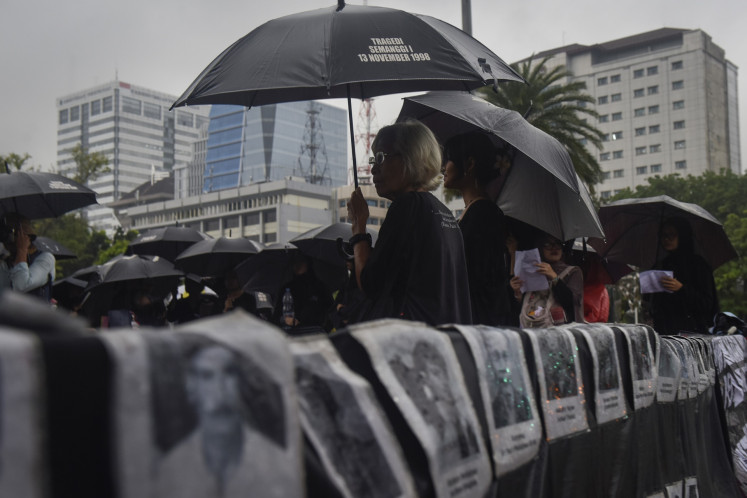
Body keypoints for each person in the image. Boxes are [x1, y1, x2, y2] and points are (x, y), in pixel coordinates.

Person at [347, 121, 472, 325]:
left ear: (411, 158)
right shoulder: (443, 212)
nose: (373, 169)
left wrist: (358, 225)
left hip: (416, 343)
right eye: (373, 159)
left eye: (381, 157)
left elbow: (371, 283)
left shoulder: (407, 205)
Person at [155, 338, 288, 497]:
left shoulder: (274, 460)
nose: (220, 385)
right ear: (192, 385)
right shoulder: (173, 466)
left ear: (241, 380)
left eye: (228, 372)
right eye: (207, 375)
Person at [442, 131, 513, 326]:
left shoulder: (483, 214)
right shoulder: (476, 210)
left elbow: (479, 277)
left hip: (480, 322)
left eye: (448, 159)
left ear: (470, 164)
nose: (443, 167)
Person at [649, 217, 719, 335]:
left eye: (671, 235)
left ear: (683, 235)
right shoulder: (662, 264)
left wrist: (681, 288)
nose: (666, 239)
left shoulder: (698, 265)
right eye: (663, 235)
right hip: (665, 334)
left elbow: (707, 304)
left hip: (692, 334)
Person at [510, 233, 584, 327]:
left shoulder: (573, 272)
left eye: (558, 244)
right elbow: (527, 306)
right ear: (540, 249)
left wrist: (554, 277)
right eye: (548, 244)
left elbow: (573, 302)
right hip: (535, 327)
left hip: (562, 330)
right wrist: (518, 293)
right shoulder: (532, 271)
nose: (554, 248)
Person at [0, 213, 55, 302]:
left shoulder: (45, 258)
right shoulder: (5, 262)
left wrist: (22, 250)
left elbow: (21, 285)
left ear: (26, 237)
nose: (7, 242)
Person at [273, 253, 333, 331]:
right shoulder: (287, 289)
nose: (297, 265)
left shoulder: (319, 287)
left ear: (308, 263)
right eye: (294, 262)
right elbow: (276, 316)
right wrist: (284, 320)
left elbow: (331, 312)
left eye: (301, 261)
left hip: (315, 333)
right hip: (292, 333)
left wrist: (323, 329)